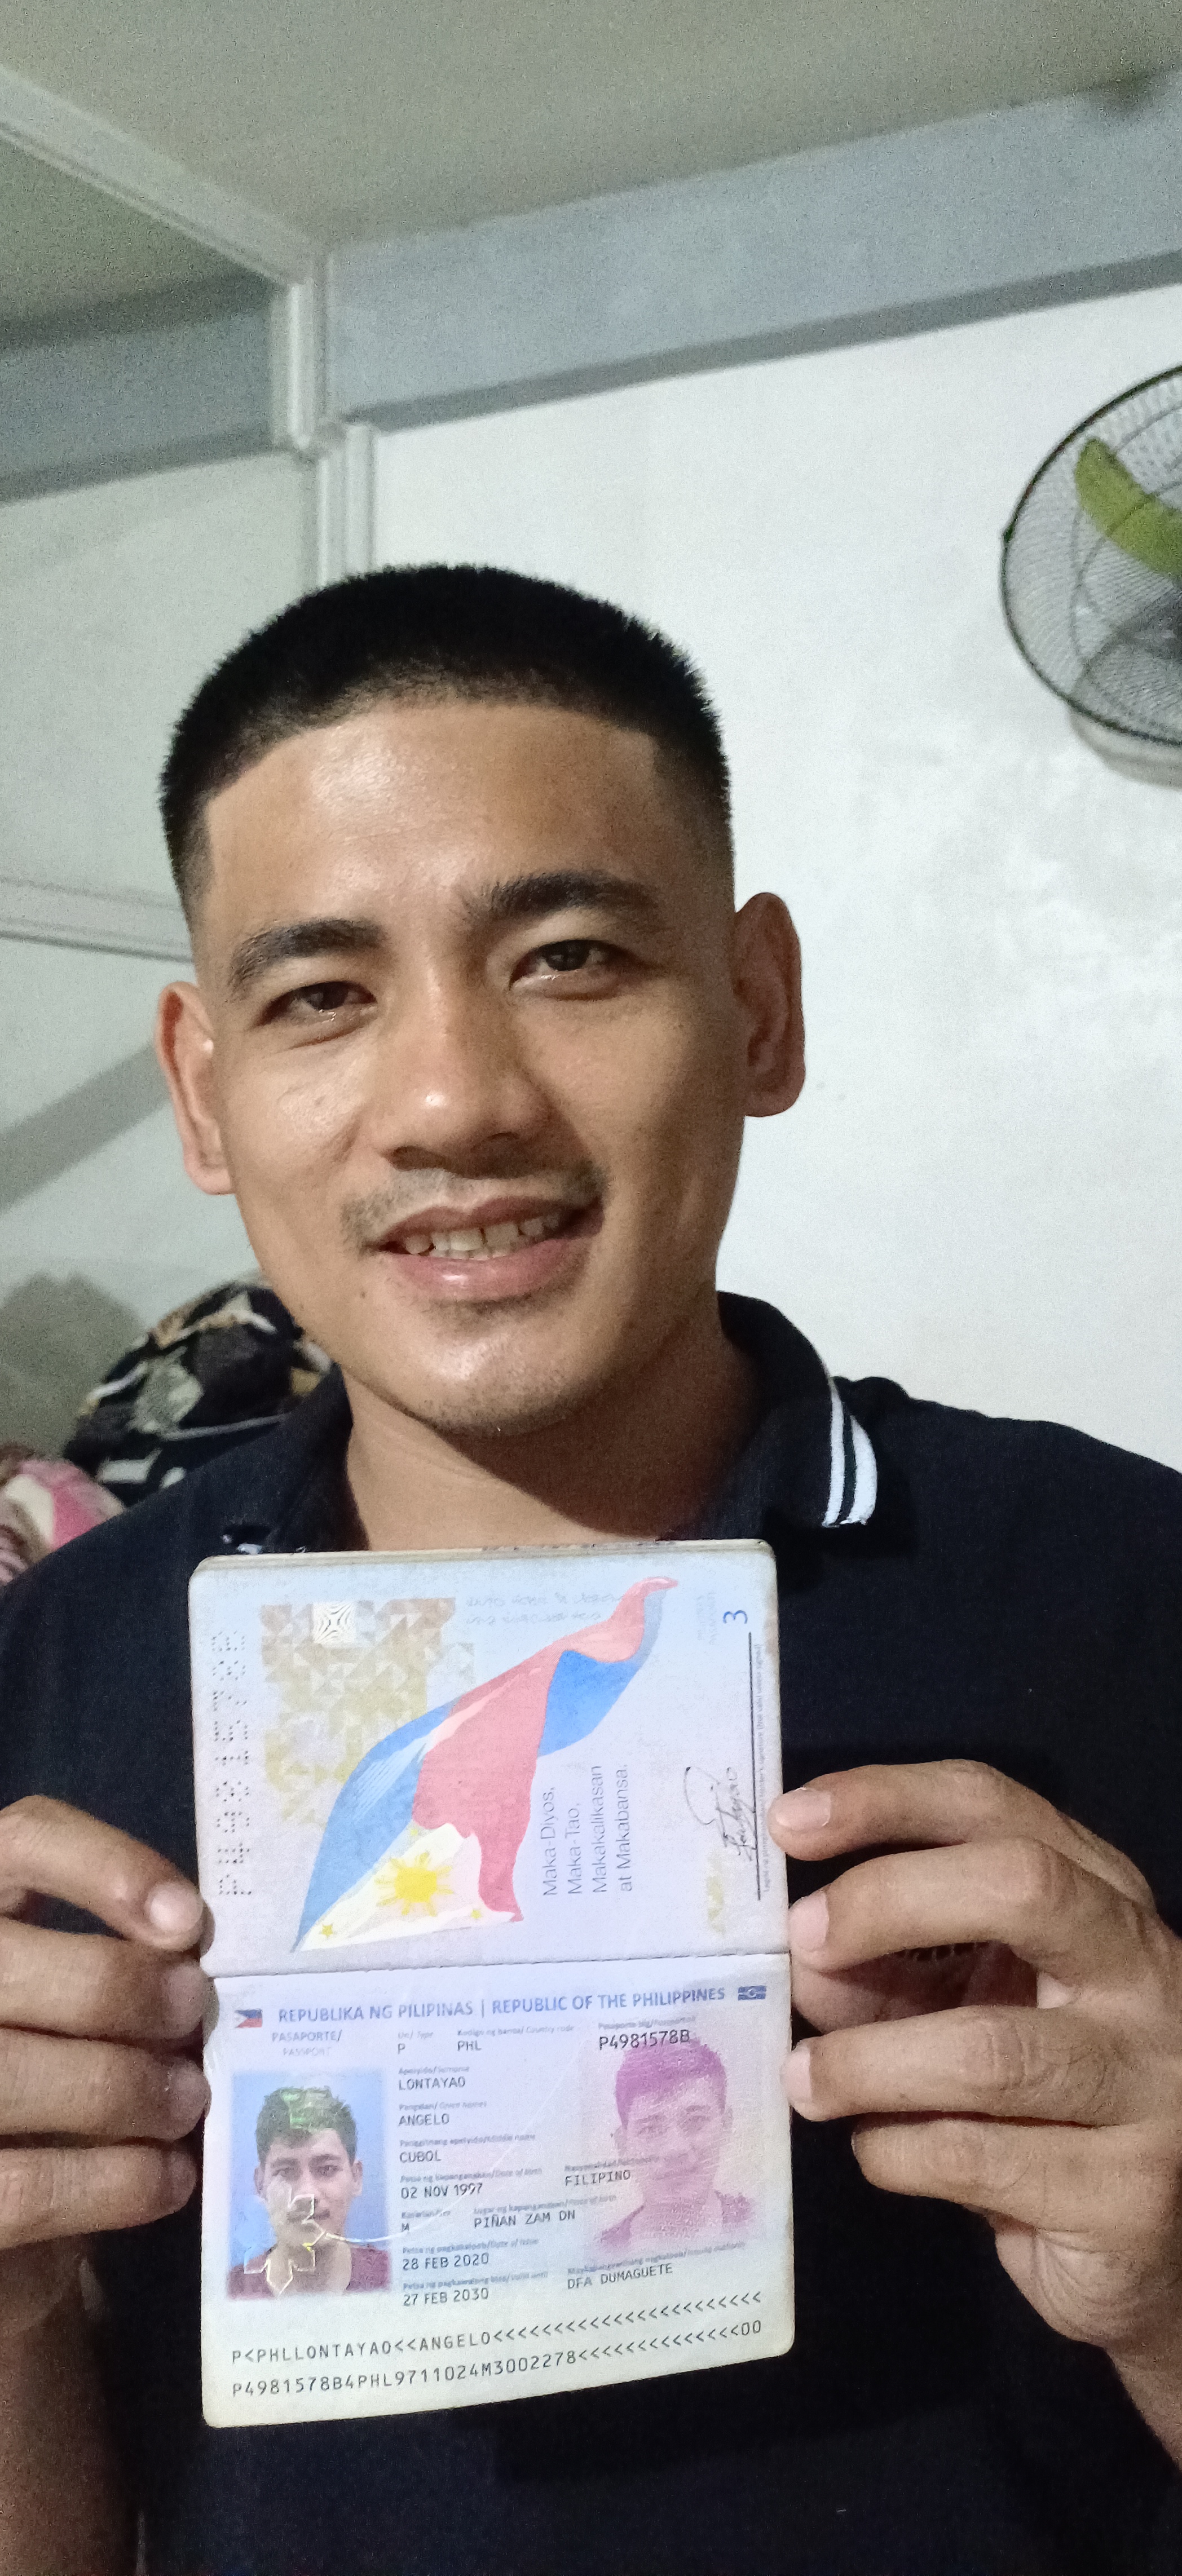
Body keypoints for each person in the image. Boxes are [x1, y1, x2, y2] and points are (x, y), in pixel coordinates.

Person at [0, 564, 1179, 2575]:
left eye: (565, 956)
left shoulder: (1126, 1589)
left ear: (755, 1007)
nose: (453, 1099)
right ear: (201, 1088)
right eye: (321, 995)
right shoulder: (56, 1672)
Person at [227, 2085, 389, 2298]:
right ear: (260, 2185)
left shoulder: (394, 2279)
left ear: (356, 2177)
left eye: (327, 2169)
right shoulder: (230, 2294)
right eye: (285, 2172)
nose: (307, 2194)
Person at [597, 2040, 753, 2255]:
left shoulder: (765, 2222)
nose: (675, 2149)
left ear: (725, 2126)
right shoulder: (601, 2252)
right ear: (623, 2145)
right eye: (650, 2129)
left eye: (696, 2120)